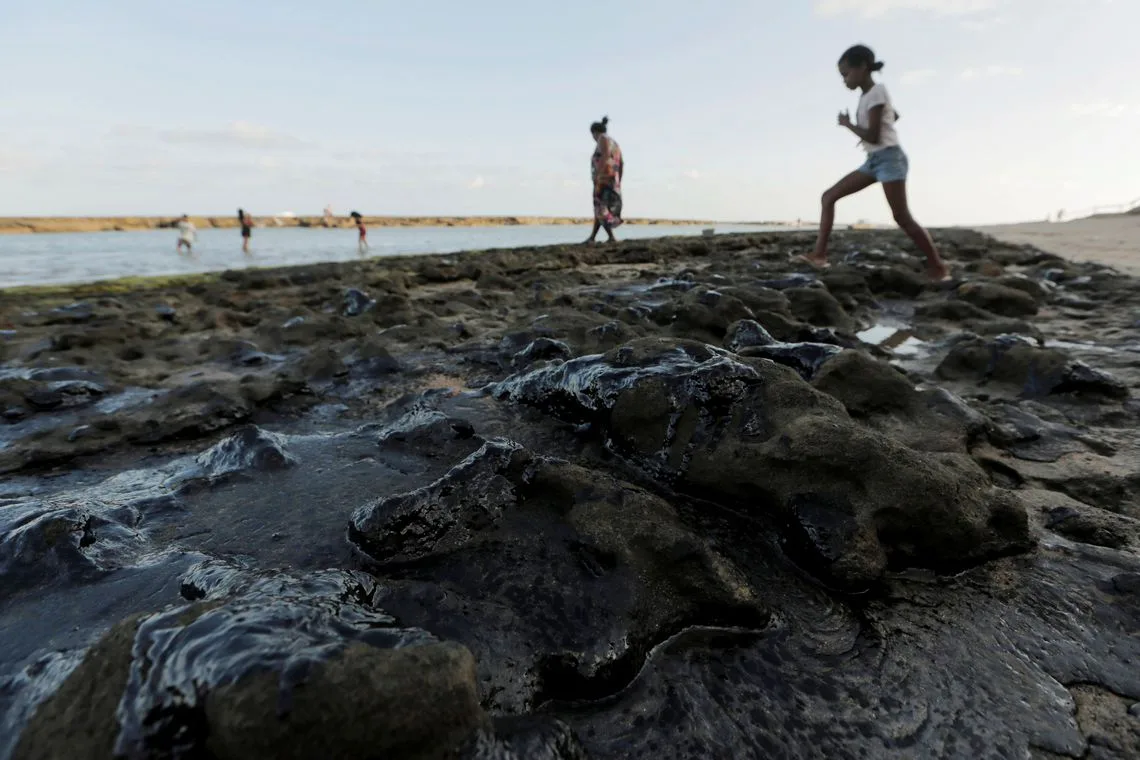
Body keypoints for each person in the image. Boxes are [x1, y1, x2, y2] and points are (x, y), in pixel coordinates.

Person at [804, 45, 948, 281]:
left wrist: (847, 124)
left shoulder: (877, 92)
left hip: (889, 158)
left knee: (902, 217)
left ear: (862, 67)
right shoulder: (868, 97)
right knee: (828, 197)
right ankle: (819, 255)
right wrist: (885, 118)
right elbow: (893, 116)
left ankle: (938, 267)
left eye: (846, 74)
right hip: (874, 161)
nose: (844, 80)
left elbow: (873, 136)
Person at [585, 116, 624, 245]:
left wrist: (599, 175)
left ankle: (609, 237)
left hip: (603, 179)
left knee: (601, 208)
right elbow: (621, 163)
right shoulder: (615, 144)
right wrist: (618, 181)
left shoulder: (603, 139)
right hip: (612, 180)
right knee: (601, 208)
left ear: (595, 132)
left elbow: (606, 155)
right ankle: (593, 237)